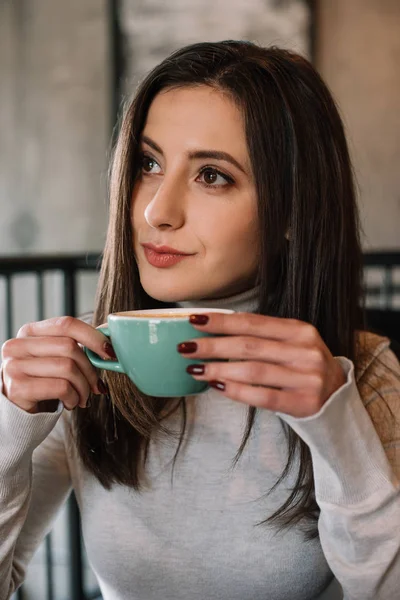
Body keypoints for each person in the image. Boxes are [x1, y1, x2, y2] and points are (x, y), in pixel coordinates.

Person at [0, 40, 399, 600]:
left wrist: (337, 427)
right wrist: (8, 430)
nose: (156, 211)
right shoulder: (87, 365)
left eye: (212, 175)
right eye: (148, 163)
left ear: (292, 211)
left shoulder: (368, 373)